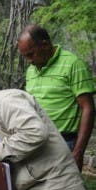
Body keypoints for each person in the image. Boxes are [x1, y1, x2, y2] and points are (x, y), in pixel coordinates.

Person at [17, 24, 95, 170]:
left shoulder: (73, 64)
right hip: (37, 141)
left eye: (30, 54)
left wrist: (78, 152)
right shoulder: (31, 71)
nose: (29, 60)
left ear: (45, 45)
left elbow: (88, 108)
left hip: (65, 142)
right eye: (25, 56)